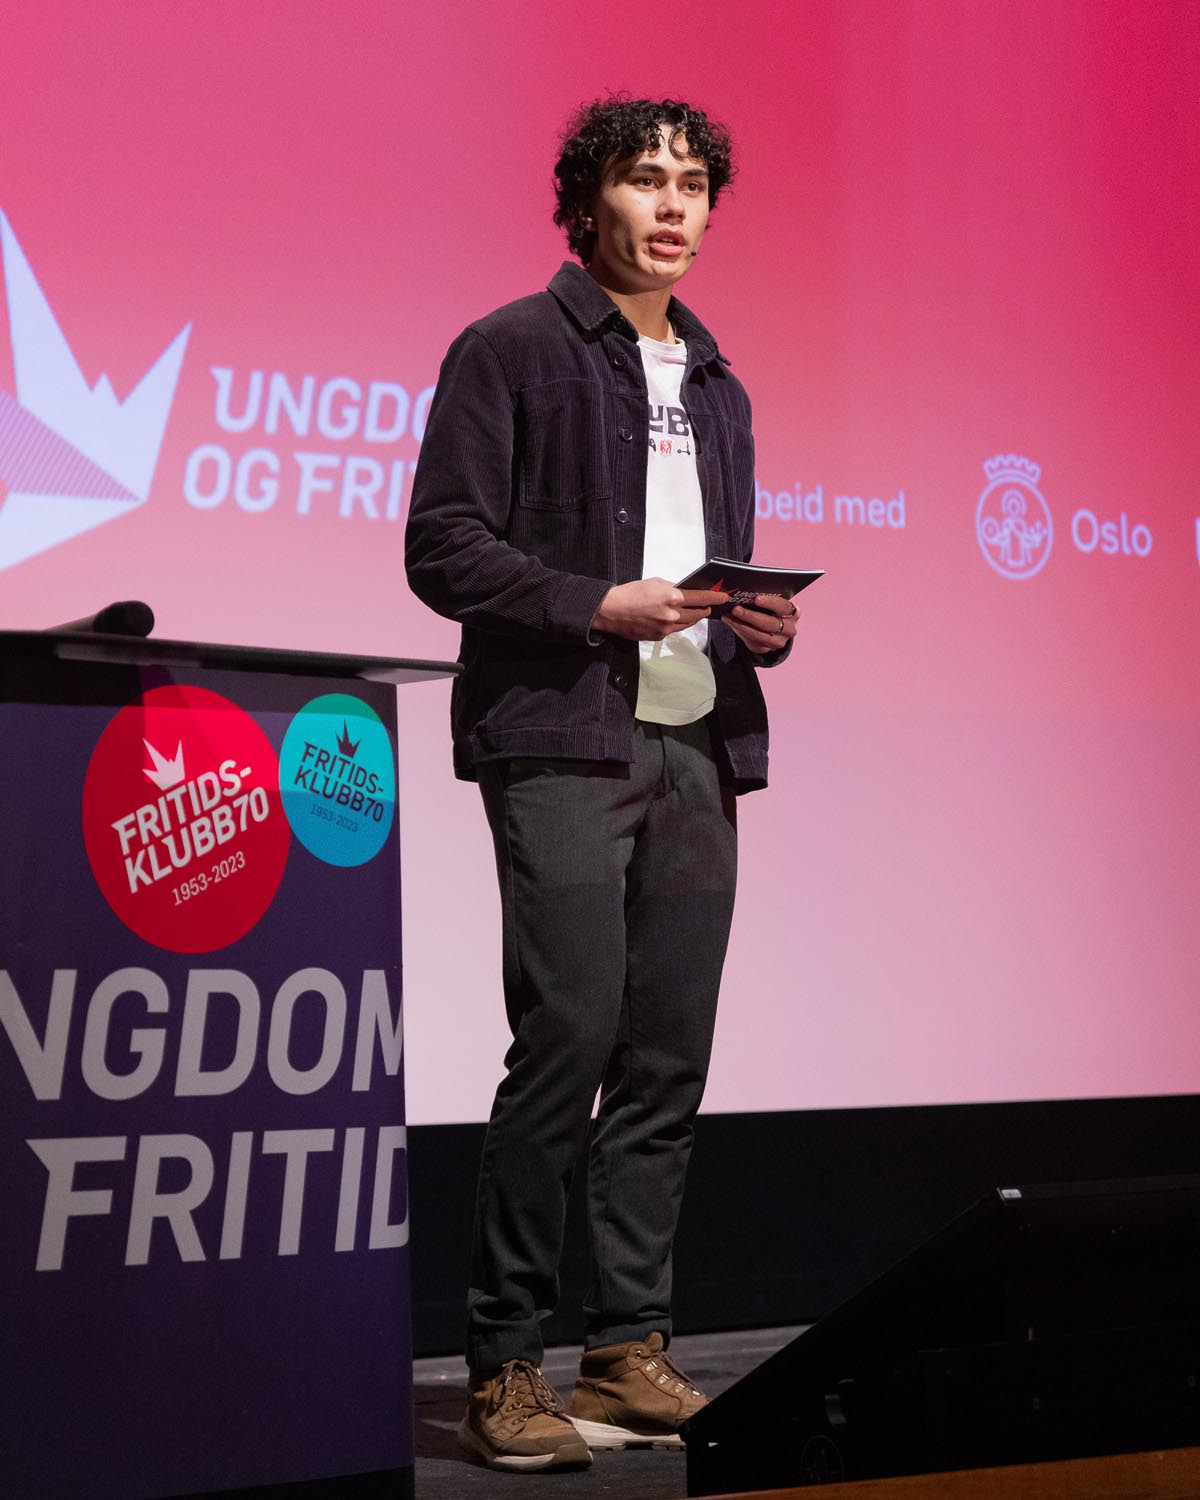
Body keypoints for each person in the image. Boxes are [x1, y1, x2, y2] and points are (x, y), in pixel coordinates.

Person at [405, 95, 799, 1473]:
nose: (674, 204)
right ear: (589, 201)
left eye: (694, 183)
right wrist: (595, 603)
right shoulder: (510, 348)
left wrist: (759, 623)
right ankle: (505, 1362)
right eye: (646, 178)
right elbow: (444, 548)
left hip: (698, 739)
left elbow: (707, 574)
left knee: (667, 1052)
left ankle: (628, 1349)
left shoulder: (720, 382)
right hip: (565, 735)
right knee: (567, 1036)